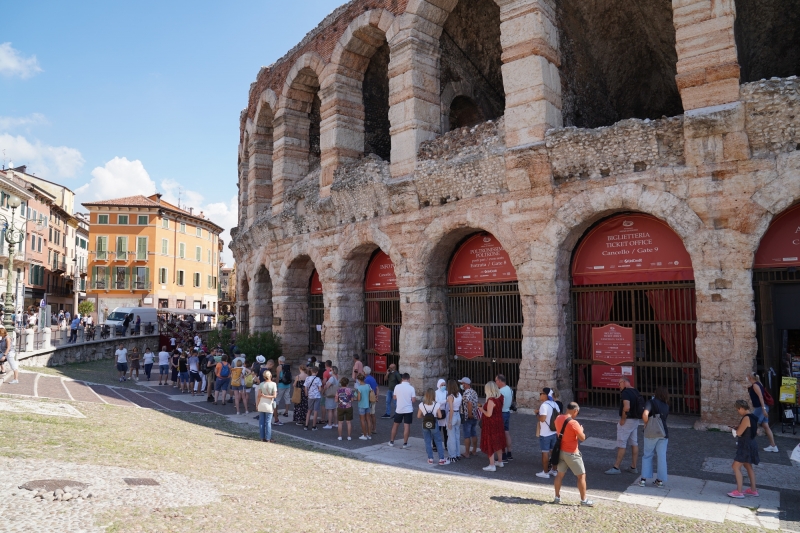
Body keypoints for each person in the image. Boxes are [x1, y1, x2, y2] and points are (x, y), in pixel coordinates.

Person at [552, 402, 594, 507]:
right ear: (575, 411)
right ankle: (583, 500)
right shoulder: (573, 423)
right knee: (581, 476)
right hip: (572, 453)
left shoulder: (558, 418)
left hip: (561, 451)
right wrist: (581, 430)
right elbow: (582, 438)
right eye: (577, 413)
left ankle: (557, 497)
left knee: (559, 475)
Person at [605, 377, 640, 475]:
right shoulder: (636, 391)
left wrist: (623, 419)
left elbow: (627, 407)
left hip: (627, 420)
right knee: (634, 442)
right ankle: (634, 466)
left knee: (621, 443)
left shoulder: (626, 393)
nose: (618, 386)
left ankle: (616, 467)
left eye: (619, 383)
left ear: (624, 382)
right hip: (635, 420)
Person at [728, 399, 760, 498]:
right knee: (748, 466)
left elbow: (739, 433)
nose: (738, 412)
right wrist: (739, 426)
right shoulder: (753, 416)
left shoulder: (746, 418)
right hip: (752, 443)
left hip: (745, 445)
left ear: (741, 408)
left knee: (735, 466)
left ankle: (739, 491)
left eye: (738, 410)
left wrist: (734, 430)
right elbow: (751, 429)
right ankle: (753, 490)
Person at [640, 386, 670, 488]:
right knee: (662, 457)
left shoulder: (650, 402)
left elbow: (645, 414)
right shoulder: (666, 405)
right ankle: (660, 481)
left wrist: (646, 424)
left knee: (647, 455)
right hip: (663, 433)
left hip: (650, 433)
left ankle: (643, 480)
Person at [747, 373, 778, 452]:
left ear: (750, 377)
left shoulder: (755, 385)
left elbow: (761, 397)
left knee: (751, 423)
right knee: (766, 426)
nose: (747, 377)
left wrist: (763, 409)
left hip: (760, 408)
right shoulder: (757, 384)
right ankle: (773, 446)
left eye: (747, 376)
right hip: (762, 408)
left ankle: (745, 443)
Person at [479, 381, 506, 472]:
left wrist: (482, 409)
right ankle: (500, 461)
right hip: (499, 422)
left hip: (491, 424)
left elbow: (489, 414)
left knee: (490, 442)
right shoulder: (500, 397)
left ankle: (492, 464)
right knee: (498, 441)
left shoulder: (491, 400)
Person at [536, 387, 560, 478]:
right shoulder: (555, 404)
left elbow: (542, 419)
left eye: (541, 393)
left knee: (545, 452)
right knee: (554, 452)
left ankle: (545, 472)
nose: (540, 395)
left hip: (545, 433)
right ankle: (554, 470)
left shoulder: (544, 405)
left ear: (545, 395)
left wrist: (537, 415)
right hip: (554, 432)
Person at [418, 388, 447, 465]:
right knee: (438, 440)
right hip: (434, 423)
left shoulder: (421, 405)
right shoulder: (436, 405)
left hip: (425, 423)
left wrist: (425, 416)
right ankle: (441, 459)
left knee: (427, 441)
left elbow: (418, 416)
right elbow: (440, 416)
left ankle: (430, 458)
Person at [389, 373, 416, 448]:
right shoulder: (411, 388)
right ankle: (405, 443)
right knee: (406, 426)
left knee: (395, 425)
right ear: (409, 379)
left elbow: (394, 397)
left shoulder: (397, 387)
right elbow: (413, 400)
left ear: (402, 379)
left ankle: (391, 441)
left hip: (399, 409)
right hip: (408, 409)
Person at [495, 374, 514, 462]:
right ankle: (509, 453)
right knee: (506, 433)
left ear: (499, 381)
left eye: (496, 381)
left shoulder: (501, 392)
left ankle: (503, 455)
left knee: (500, 435)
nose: (496, 383)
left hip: (501, 414)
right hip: (507, 412)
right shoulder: (509, 389)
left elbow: (499, 404)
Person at [459, 377, 479, 458]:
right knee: (473, 433)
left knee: (466, 435)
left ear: (466, 384)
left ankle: (467, 452)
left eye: (462, 383)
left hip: (467, 416)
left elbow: (469, 403)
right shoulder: (474, 392)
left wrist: (469, 414)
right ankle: (474, 450)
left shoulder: (466, 393)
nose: (461, 385)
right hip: (475, 415)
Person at [256, 370, 277, 443]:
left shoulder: (261, 384)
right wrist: (266, 396)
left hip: (261, 403)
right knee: (268, 422)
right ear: (270, 376)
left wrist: (257, 404)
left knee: (261, 422)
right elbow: (274, 396)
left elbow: (258, 396)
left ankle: (262, 437)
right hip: (269, 404)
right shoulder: (273, 384)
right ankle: (268, 438)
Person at [446, 379, 462, 462]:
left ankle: (452, 455)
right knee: (457, 436)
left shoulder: (450, 396)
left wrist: (449, 421)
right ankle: (457, 454)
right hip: (458, 414)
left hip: (452, 415)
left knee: (451, 437)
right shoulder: (459, 394)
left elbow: (451, 409)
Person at [355, 373, 372, 440]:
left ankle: (364, 435)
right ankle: (369, 434)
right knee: (368, 419)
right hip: (368, 404)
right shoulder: (368, 386)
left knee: (362, 420)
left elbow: (359, 398)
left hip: (362, 405)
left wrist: (355, 398)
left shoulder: (359, 388)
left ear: (359, 380)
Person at [323, 366, 340, 430]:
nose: (330, 371)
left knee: (329, 409)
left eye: (331, 370)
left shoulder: (331, 378)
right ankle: (335, 423)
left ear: (333, 371)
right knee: (334, 409)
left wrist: (323, 391)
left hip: (330, 394)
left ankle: (329, 424)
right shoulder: (337, 377)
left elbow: (327, 386)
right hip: (335, 394)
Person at [363, 366, 378, 434]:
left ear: (364, 372)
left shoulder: (366, 380)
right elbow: (377, 388)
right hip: (373, 398)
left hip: (368, 399)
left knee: (367, 415)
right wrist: (376, 396)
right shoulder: (373, 378)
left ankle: (367, 430)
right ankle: (374, 428)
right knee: (373, 414)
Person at [435, 378, 448, 452]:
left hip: (445, 413)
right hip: (438, 413)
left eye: (444, 385)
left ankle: (446, 445)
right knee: (437, 431)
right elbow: (437, 402)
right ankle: (435, 445)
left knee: (445, 431)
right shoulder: (436, 393)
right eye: (442, 385)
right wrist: (445, 401)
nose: (443, 386)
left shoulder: (447, 392)